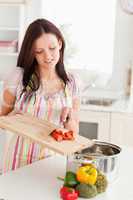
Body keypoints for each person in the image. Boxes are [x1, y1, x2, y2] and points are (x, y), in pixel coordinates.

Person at [0, 18, 80, 173]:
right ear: (31, 52)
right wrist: (13, 119)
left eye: (52, 48)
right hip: (19, 161)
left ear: (60, 44)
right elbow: (1, 118)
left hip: (54, 162)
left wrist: (70, 118)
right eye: (39, 51)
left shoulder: (72, 83)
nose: (48, 56)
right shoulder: (18, 78)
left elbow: (73, 132)